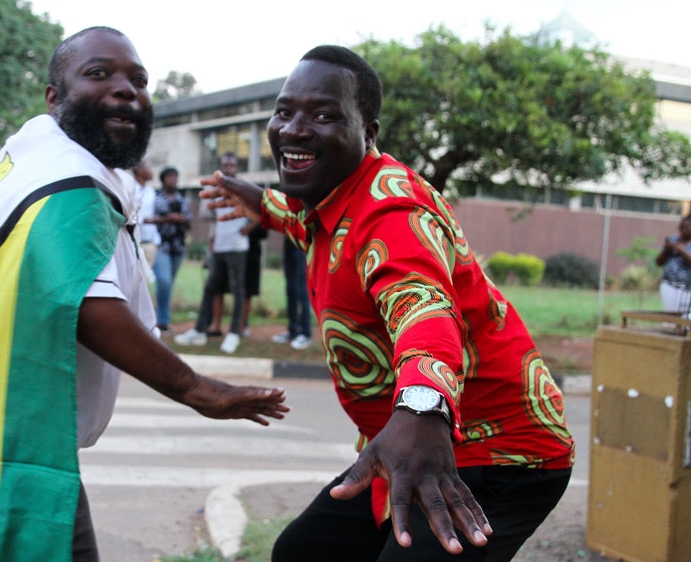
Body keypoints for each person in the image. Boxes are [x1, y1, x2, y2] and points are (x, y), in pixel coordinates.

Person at [0, 27, 288, 562]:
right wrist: (199, 389)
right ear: (54, 97)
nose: (127, 90)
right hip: (2, 449)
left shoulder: (33, 161)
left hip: (1, 435)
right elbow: (86, 305)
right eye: (99, 74)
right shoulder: (68, 183)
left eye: (139, 80)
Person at [201, 45, 573, 561]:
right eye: (285, 111)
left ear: (368, 132)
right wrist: (257, 199)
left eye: (325, 114)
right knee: (302, 553)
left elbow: (423, 311)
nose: (294, 129)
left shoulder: (389, 213)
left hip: (498, 452)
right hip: (403, 444)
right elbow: (300, 219)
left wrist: (421, 406)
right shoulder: (331, 196)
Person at [175, 153, 250, 353]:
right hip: (219, 246)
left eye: (232, 164)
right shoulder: (215, 189)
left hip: (238, 246)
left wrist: (247, 229)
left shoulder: (244, 188)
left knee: (237, 289)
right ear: (221, 167)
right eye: (225, 164)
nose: (229, 168)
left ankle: (234, 333)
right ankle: (199, 330)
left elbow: (259, 213)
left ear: (237, 167)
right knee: (210, 288)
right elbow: (214, 217)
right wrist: (213, 238)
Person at [149, 166, 192, 332]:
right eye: (170, 177)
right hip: (162, 245)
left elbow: (189, 221)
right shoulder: (156, 198)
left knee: (168, 284)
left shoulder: (181, 199)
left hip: (178, 247)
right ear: (163, 179)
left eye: (176, 177)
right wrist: (170, 218)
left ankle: (160, 317)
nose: (173, 180)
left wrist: (181, 219)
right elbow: (152, 218)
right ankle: (162, 320)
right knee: (164, 281)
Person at [270, 236, 312, 349]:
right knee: (290, 290)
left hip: (302, 245)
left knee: (302, 291)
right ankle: (293, 331)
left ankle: (305, 333)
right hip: (289, 245)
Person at [654, 213, 691, 316]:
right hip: (669, 285)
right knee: (670, 317)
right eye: (681, 227)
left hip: (687, 288)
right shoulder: (672, 240)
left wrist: (682, 251)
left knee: (684, 318)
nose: (682, 230)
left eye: (686, 227)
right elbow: (658, 262)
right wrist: (666, 249)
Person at [132, 160, 160, 267]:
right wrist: (143, 220)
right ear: (139, 170)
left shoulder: (151, 191)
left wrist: (155, 241)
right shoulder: (130, 188)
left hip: (149, 242)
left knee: (144, 281)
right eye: (148, 168)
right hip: (133, 241)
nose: (151, 171)